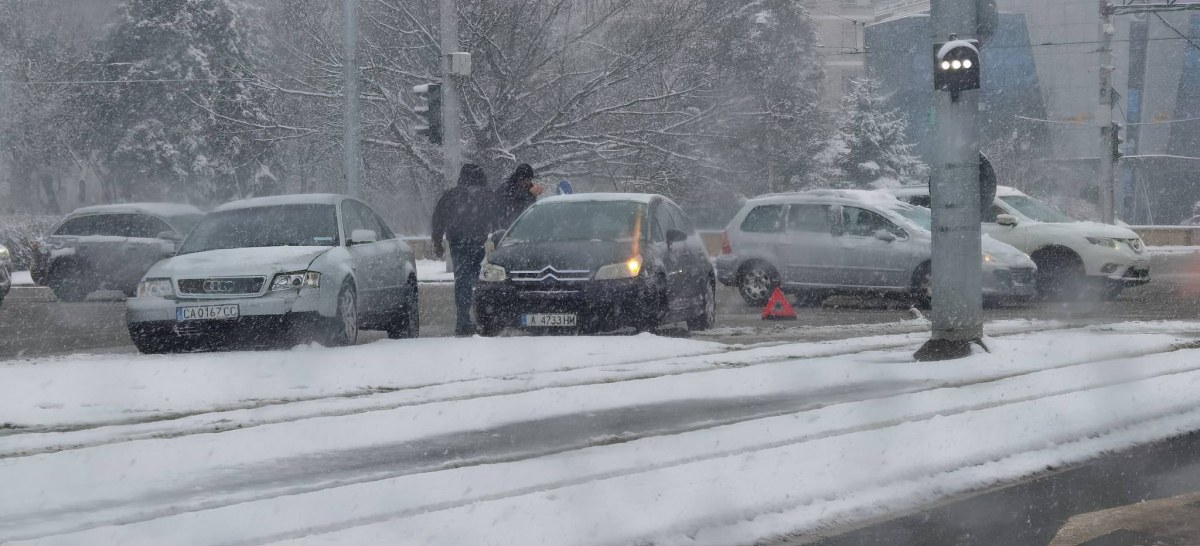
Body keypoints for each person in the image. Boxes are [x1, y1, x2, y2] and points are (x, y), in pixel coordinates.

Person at [432, 164, 495, 336]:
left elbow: (438, 219)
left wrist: (437, 242)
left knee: (462, 279)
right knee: (474, 279)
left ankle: (462, 319)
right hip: (476, 241)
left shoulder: (450, 195)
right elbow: (496, 216)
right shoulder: (486, 195)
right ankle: (472, 318)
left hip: (457, 242)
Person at [494, 163, 543, 230]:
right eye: (525, 180)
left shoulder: (529, 188)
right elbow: (512, 202)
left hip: (523, 226)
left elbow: (530, 208)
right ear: (519, 178)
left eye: (529, 180)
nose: (527, 182)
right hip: (507, 227)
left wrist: (533, 195)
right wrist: (529, 193)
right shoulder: (508, 187)